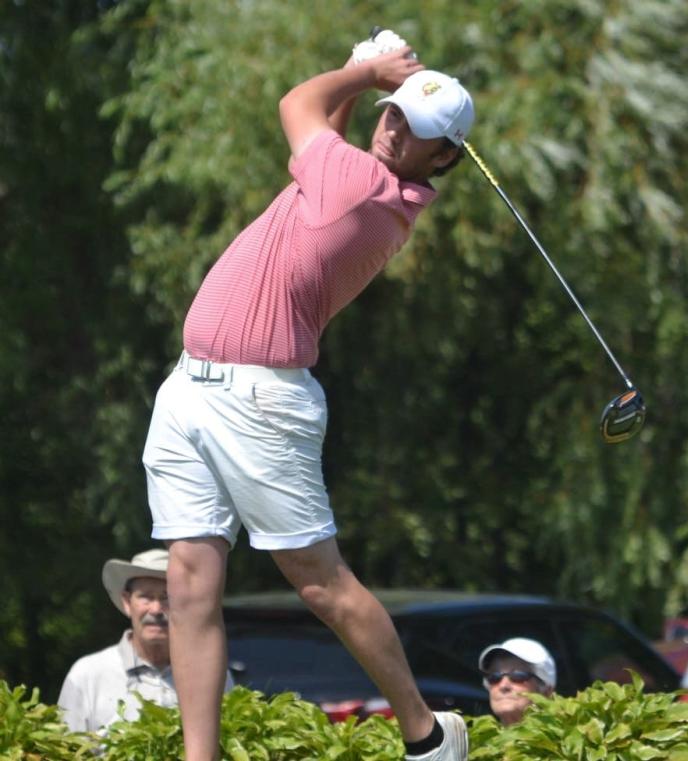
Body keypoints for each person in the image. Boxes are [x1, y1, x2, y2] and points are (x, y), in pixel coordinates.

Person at [140, 30, 473, 761]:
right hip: (189, 387)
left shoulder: (362, 189)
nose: (393, 128)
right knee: (190, 581)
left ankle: (425, 733)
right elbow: (323, 138)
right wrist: (366, 85)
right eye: (391, 112)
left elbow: (298, 103)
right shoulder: (358, 182)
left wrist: (362, 71)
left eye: (413, 129)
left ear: (441, 156)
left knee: (319, 582)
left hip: (259, 401)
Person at [57, 549, 218, 732]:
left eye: (167, 598)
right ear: (127, 602)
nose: (156, 610)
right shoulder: (88, 674)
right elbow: (65, 749)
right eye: (146, 597)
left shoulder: (209, 673)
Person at [478, 638, 556, 725]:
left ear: (546, 692)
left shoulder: (563, 737)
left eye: (518, 675)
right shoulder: (472, 737)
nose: (503, 686)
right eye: (495, 677)